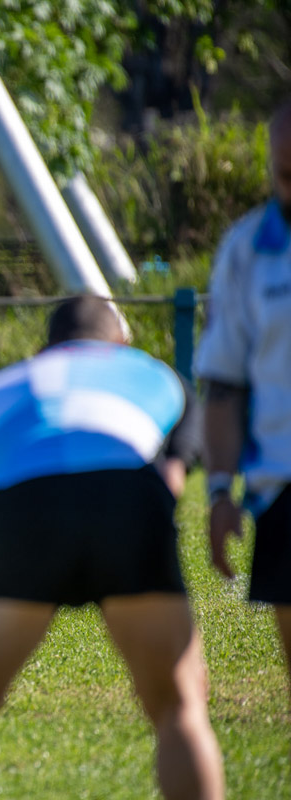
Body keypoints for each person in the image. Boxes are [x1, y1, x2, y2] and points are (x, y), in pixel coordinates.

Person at [0, 296, 223, 800]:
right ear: (121, 344)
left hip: (26, 510)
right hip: (128, 501)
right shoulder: (157, 376)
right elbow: (169, 483)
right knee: (180, 705)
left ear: (46, 347)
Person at [194, 97, 291, 712]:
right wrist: (220, 492)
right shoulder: (249, 247)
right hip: (284, 487)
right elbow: (223, 383)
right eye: (286, 174)